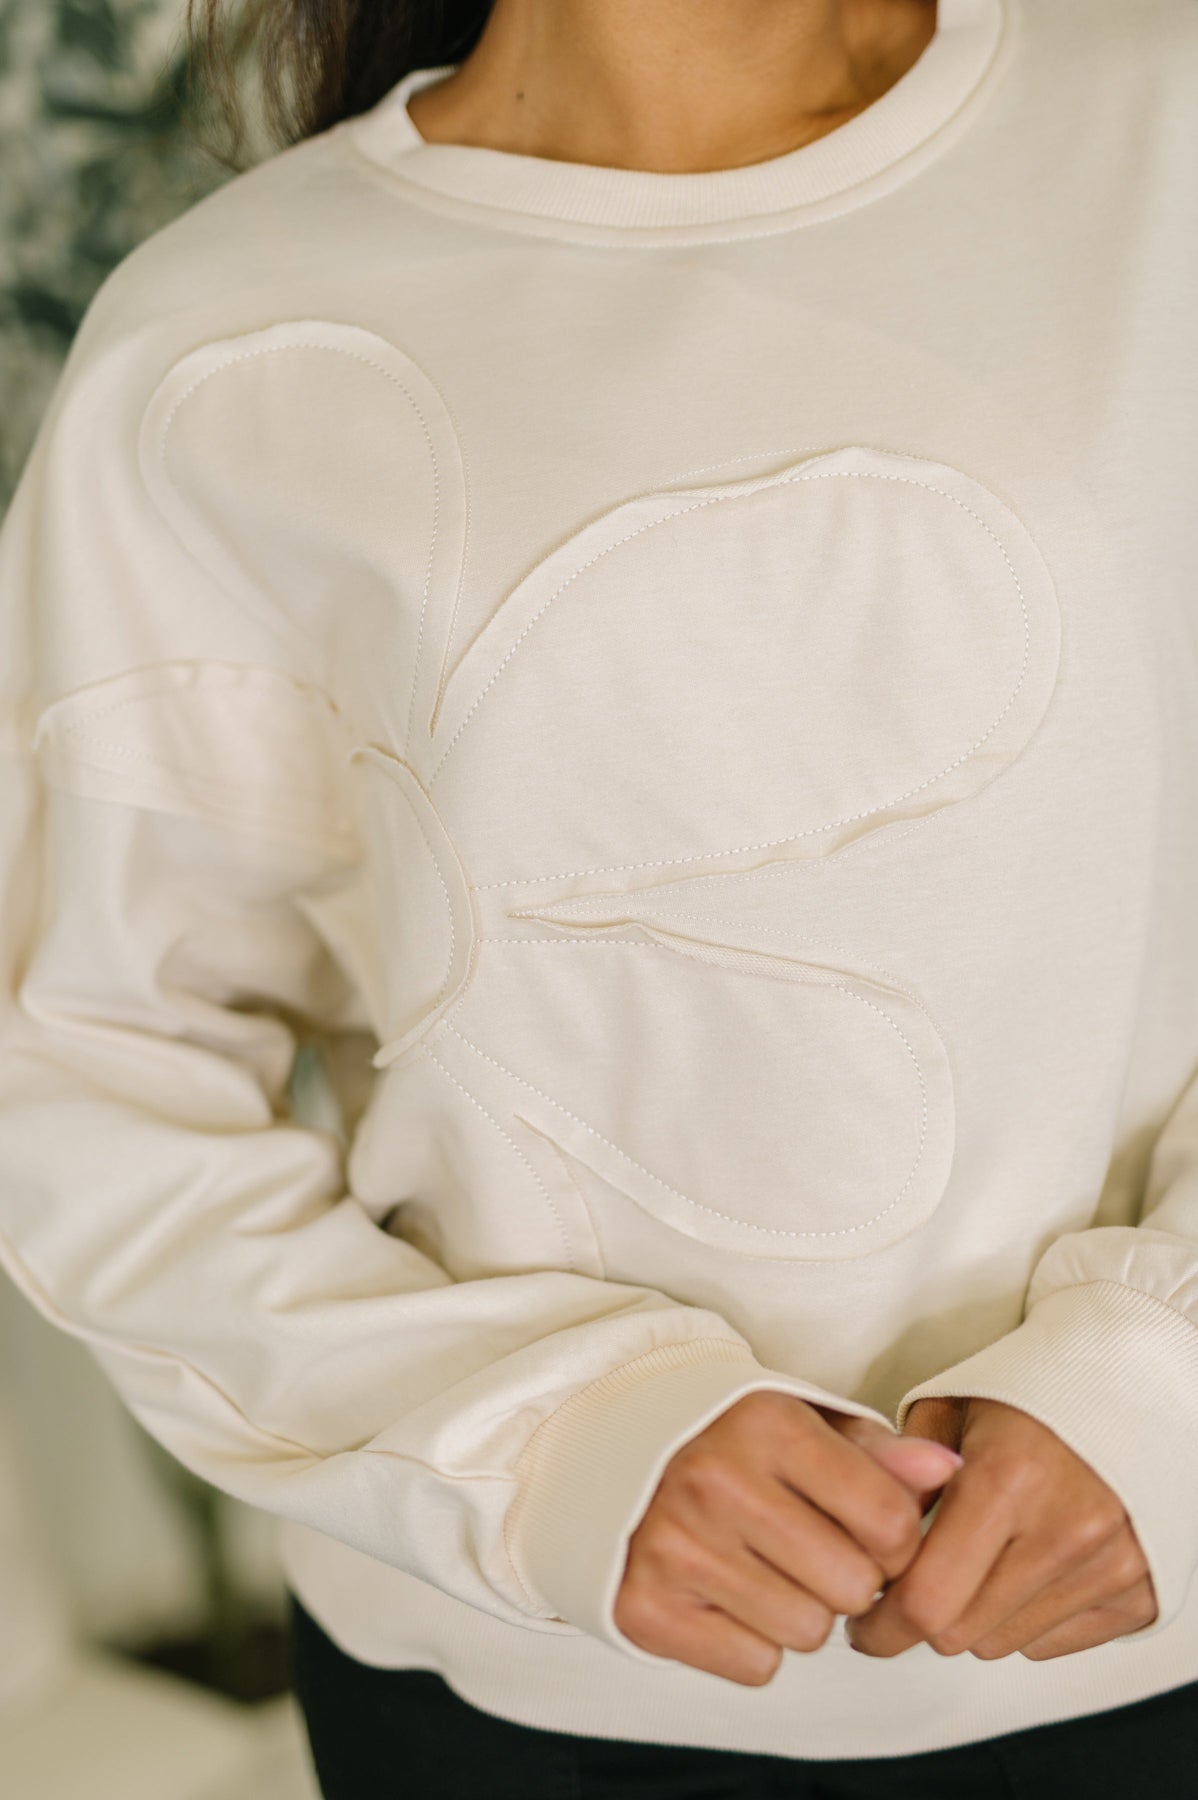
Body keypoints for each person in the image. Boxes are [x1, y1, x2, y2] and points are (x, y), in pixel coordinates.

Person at [1, 0, 1196, 1793]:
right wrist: (546, 1447)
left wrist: (1165, 1384)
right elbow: (82, 1066)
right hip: (517, 1706)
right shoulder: (220, 339)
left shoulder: (1162, 140)